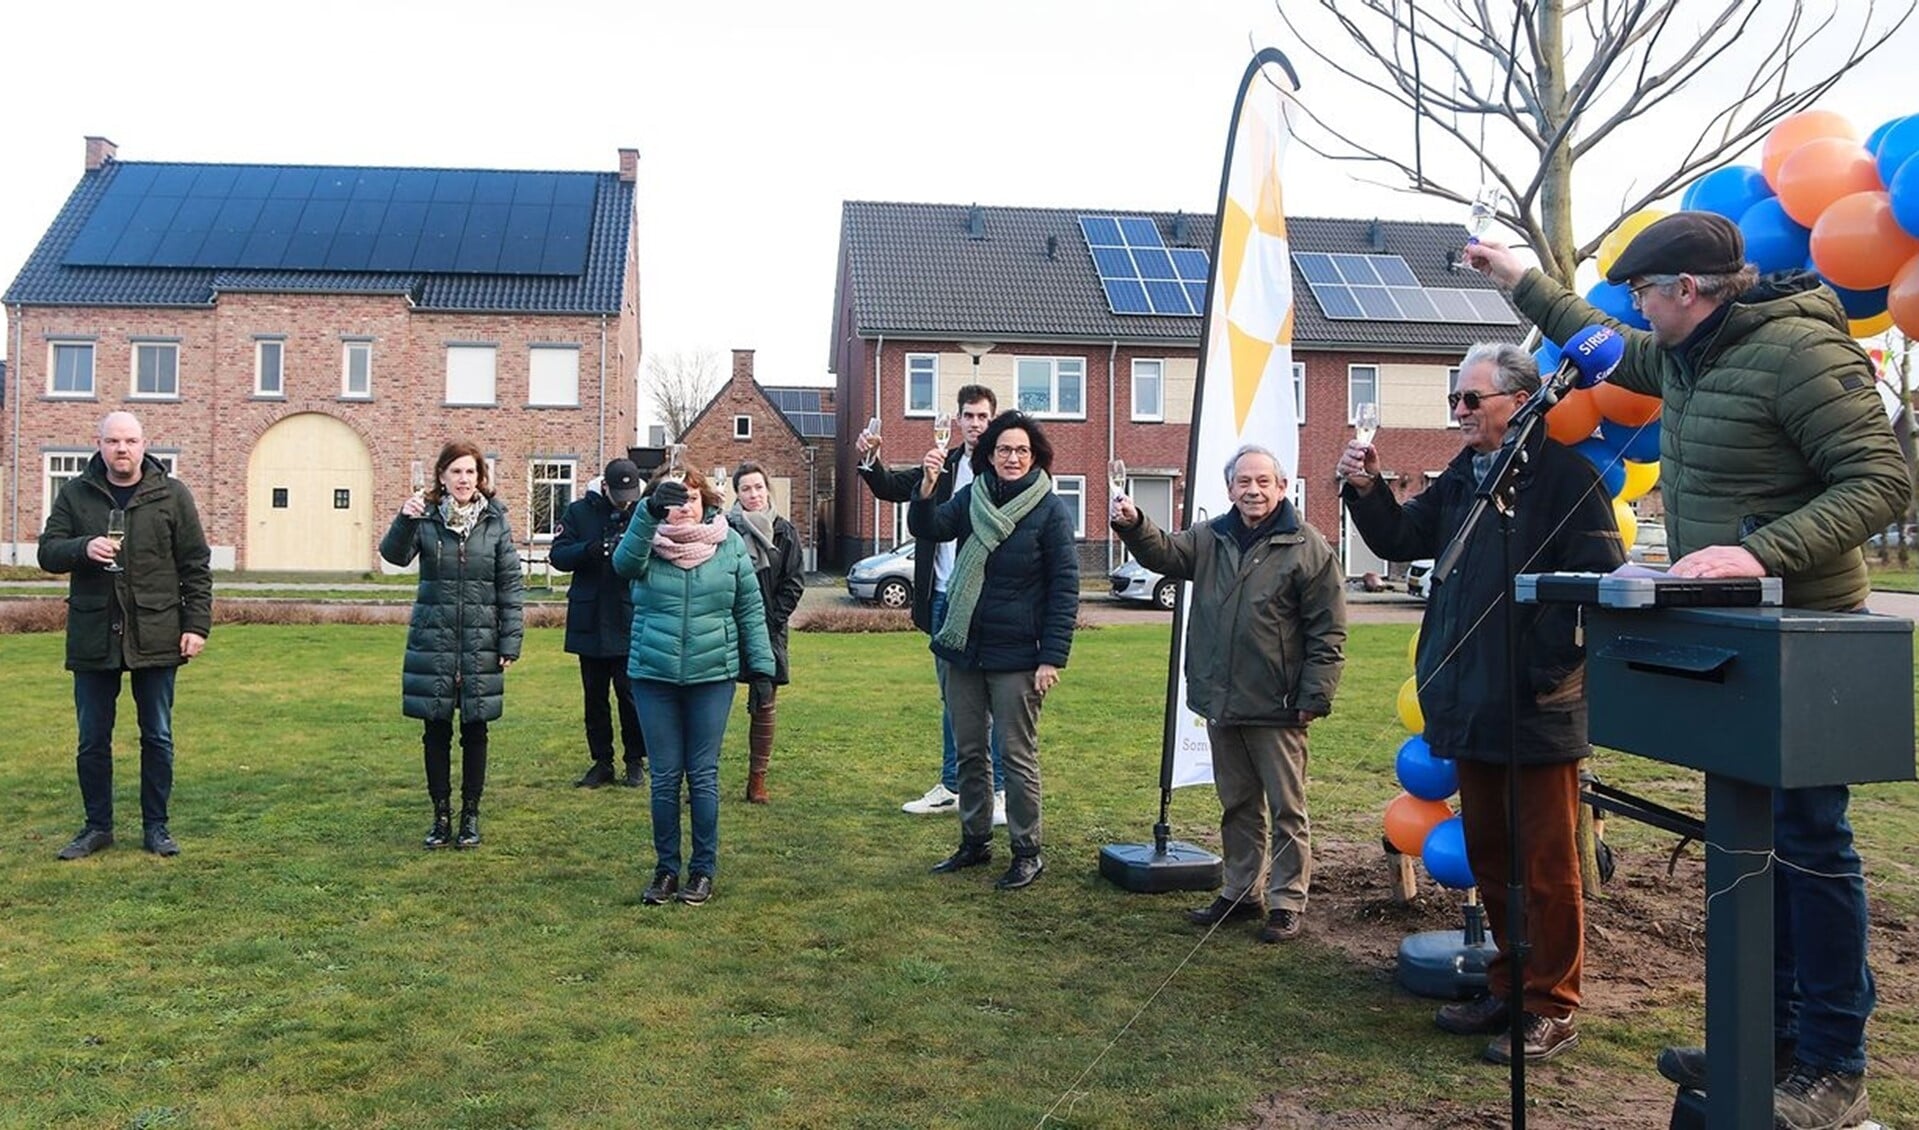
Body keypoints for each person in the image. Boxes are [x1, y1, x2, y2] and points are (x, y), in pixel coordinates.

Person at [1467, 213, 1907, 1127]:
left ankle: (1831, 1062)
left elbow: (1878, 481)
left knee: (1811, 848)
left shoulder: (1798, 354)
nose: (1636, 306)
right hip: (1740, 638)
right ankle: (1768, 1038)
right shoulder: (1682, 353)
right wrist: (1516, 277)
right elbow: (1601, 347)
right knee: (1758, 843)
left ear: (1688, 291)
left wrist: (1761, 555)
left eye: (1642, 291)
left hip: (1809, 635)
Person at [1338, 343, 1623, 1064]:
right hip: (1470, 706)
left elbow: (1592, 595)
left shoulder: (1567, 479)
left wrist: (1539, 674)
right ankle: (1509, 985)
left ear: (1521, 402)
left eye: (1471, 400)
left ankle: (1551, 1004)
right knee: (1492, 857)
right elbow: (1403, 537)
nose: (1458, 413)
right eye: (1453, 402)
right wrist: (1368, 489)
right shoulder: (1467, 475)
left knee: (1547, 868)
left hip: (1535, 707)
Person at [1113, 445, 1346, 943]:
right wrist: (1134, 523)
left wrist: (1314, 695)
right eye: (1244, 482)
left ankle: (1286, 901)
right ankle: (1242, 893)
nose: (1253, 490)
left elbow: (1329, 632)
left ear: (1283, 487)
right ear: (1230, 489)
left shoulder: (1308, 547)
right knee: (1238, 804)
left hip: (1280, 704)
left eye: (1264, 481)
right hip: (1223, 699)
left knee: (1287, 809)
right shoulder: (1211, 537)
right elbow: (1165, 553)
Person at [908, 411, 1077, 890]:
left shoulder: (1050, 509)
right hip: (964, 649)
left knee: (1017, 756)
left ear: (1035, 456)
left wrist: (1052, 657)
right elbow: (932, 527)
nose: (1012, 457)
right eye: (1004, 449)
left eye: (1022, 450)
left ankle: (1027, 850)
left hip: (1019, 656)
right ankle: (974, 841)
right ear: (990, 455)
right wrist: (926, 486)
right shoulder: (972, 495)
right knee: (969, 752)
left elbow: (1065, 588)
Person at [39, 410, 212, 860]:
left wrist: (196, 625)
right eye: (113, 441)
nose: (122, 449)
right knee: (92, 738)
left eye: (130, 441)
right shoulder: (76, 495)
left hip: (157, 632)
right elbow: (47, 552)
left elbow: (195, 566)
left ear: (143, 444)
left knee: (156, 735)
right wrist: (83, 547)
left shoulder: (172, 495)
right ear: (99, 444)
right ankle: (98, 827)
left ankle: (157, 827)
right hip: (94, 632)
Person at [614, 467, 775, 907]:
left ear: (705, 502)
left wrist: (761, 671)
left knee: (702, 775)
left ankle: (703, 870)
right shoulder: (645, 542)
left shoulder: (730, 547)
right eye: (672, 499)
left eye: (690, 498)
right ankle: (666, 870)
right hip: (653, 676)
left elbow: (749, 610)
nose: (683, 506)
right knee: (664, 777)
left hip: (712, 677)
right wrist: (646, 514)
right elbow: (622, 565)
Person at [857, 385, 1008, 825]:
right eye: (968, 416)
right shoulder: (943, 466)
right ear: (956, 422)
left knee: (995, 698)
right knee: (952, 698)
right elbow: (887, 487)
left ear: (992, 419)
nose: (975, 424)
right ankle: (952, 784)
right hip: (941, 598)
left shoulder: (1004, 469)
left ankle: (998, 789)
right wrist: (871, 458)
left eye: (982, 416)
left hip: (986, 600)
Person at [379, 440, 525, 850]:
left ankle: (470, 815)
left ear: (481, 478)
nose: (464, 480)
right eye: (456, 471)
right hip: (435, 640)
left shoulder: (496, 522)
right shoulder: (424, 518)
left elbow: (509, 584)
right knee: (436, 729)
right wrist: (404, 520)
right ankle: (440, 816)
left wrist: (510, 640)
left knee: (475, 729)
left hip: (481, 641)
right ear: (442, 476)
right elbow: (394, 556)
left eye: (471, 472)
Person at [550, 458, 649, 790]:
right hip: (589, 618)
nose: (625, 500)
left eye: (630, 493)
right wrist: (590, 550)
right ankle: (601, 761)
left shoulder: (641, 512)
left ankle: (635, 760)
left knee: (630, 695)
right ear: (604, 486)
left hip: (627, 616)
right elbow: (558, 556)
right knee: (594, 697)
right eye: (619, 492)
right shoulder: (578, 512)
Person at [727, 460, 805, 804]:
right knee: (711, 701)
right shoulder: (722, 530)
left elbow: (793, 583)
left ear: (767, 489)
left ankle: (757, 779)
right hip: (725, 628)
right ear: (737, 493)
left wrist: (770, 620)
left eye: (759, 487)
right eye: (746, 488)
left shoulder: (784, 531)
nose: (753, 494)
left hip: (769, 629)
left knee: (764, 704)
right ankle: (700, 777)